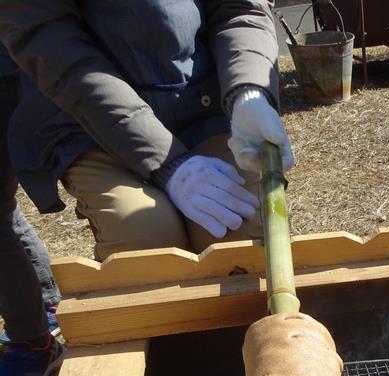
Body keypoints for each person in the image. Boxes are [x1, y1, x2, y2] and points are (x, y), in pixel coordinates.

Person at [0, 0, 294, 261]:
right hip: (88, 125)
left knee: (245, 228)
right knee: (145, 239)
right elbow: (54, 48)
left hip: (201, 106)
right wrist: (169, 165)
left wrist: (248, 91)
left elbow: (240, 9)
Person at [0, 46, 63, 376]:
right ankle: (45, 308)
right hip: (13, 67)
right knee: (4, 212)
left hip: (8, 71)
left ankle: (32, 342)